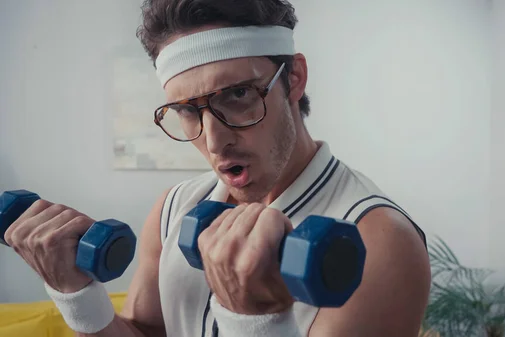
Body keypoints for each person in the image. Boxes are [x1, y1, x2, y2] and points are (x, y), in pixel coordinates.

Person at [4, 0, 431, 336]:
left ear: (294, 78)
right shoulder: (173, 209)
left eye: (238, 94)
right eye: (187, 111)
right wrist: (78, 297)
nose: (213, 140)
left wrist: (255, 325)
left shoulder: (377, 239)